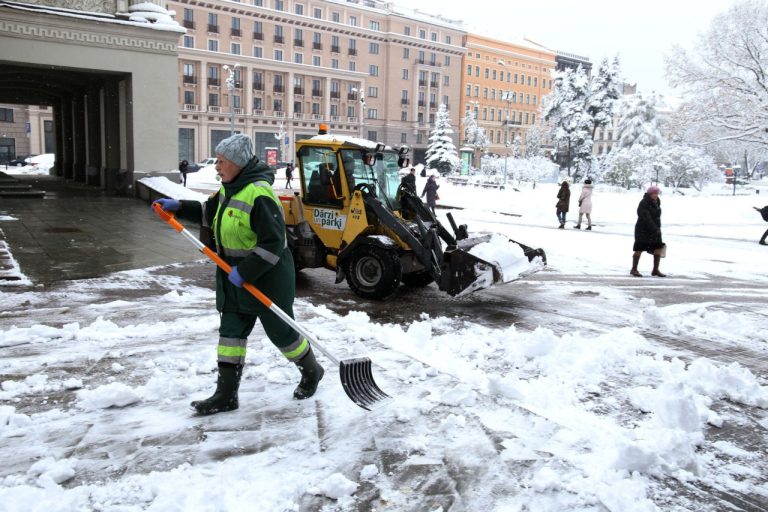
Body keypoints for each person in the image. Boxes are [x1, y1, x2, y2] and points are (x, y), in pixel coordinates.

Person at [152, 134, 324, 416]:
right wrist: (180, 207)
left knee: (282, 334)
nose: (217, 167)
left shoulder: (259, 194)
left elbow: (273, 243)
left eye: (222, 161)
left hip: (267, 278)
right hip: (232, 275)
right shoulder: (228, 189)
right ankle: (226, 394)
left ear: (239, 163)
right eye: (217, 161)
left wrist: (246, 271)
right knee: (230, 334)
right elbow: (210, 213)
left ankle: (312, 371)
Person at [631, 185, 666, 277]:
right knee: (639, 248)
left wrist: (656, 228)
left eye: (657, 193)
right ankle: (634, 269)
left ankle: (655, 270)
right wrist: (654, 228)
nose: (655, 195)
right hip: (643, 229)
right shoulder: (644, 202)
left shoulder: (657, 201)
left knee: (658, 247)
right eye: (654, 193)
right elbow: (645, 216)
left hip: (655, 229)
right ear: (650, 193)